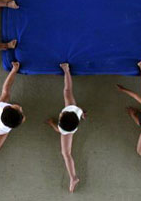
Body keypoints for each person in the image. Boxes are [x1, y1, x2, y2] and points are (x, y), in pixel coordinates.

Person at [45, 63, 86, 192]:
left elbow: (58, 129)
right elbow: (78, 112)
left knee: (66, 153)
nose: (60, 113)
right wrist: (81, 114)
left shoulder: (64, 129)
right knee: (67, 91)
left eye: (60, 115)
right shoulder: (74, 110)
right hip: (75, 119)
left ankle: (73, 177)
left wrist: (52, 123)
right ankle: (66, 70)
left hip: (74, 122)